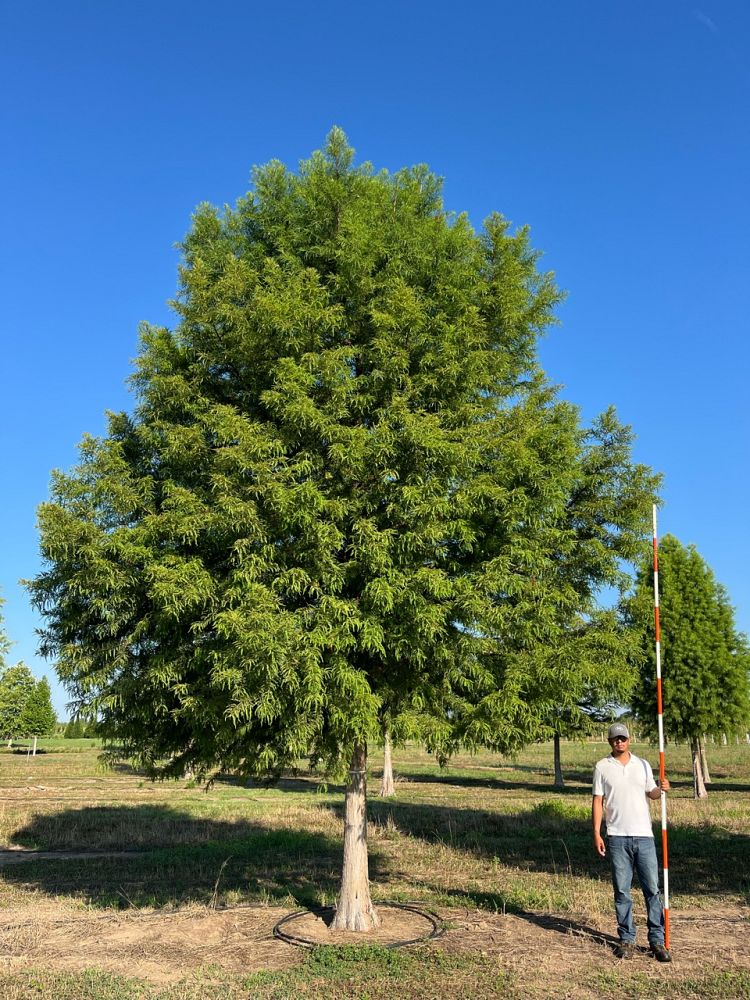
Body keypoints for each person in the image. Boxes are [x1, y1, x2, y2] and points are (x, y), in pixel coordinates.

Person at [592, 722, 672, 962]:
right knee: (622, 891)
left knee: (652, 890)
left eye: (623, 738)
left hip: (644, 836)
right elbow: (598, 801)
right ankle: (626, 938)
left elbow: (652, 793)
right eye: (616, 739)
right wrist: (597, 832)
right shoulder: (602, 767)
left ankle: (657, 941)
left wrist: (662, 788)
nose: (620, 742)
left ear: (629, 740)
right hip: (617, 837)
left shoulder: (642, 765)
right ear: (610, 742)